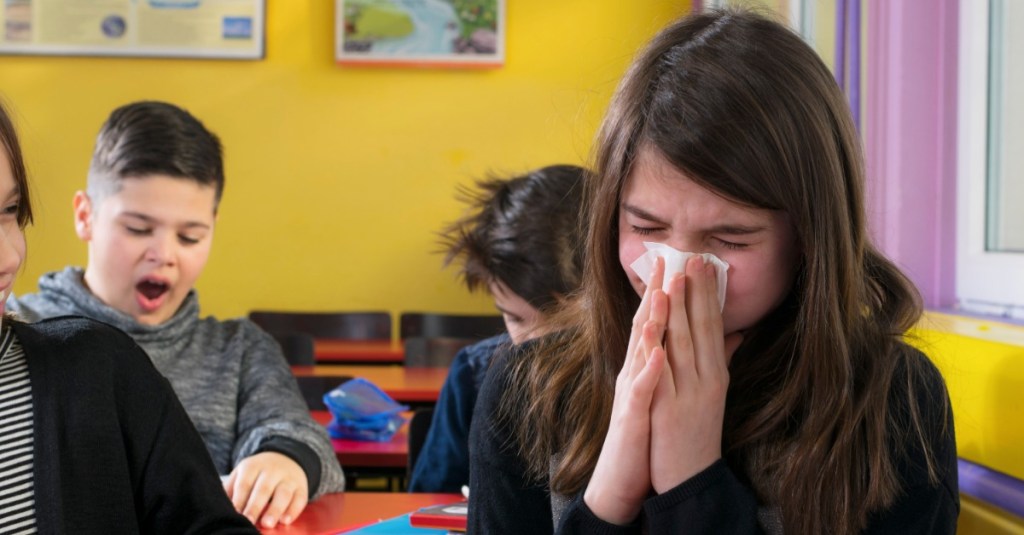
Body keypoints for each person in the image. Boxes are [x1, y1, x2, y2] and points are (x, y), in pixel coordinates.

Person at [468, 10, 958, 535]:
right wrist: (610, 498)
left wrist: (692, 481)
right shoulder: (527, 389)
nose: (676, 276)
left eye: (730, 240)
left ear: (809, 240)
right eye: (647, 228)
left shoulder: (893, 401)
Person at [8, 100, 344, 529]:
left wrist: (284, 460)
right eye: (138, 229)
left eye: (189, 236)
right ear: (85, 215)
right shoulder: (19, 327)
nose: (163, 255)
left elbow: (299, 433)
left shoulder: (239, 349)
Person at [407, 164, 587, 493]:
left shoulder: (643, 378)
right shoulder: (474, 374)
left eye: (561, 324)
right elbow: (428, 506)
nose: (535, 344)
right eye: (515, 319)